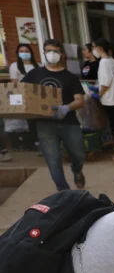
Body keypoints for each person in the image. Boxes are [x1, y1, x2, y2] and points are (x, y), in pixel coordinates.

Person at [22, 39, 87, 190]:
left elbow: (80, 100)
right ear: (44, 53)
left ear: (62, 54)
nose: (52, 54)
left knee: (79, 154)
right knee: (53, 159)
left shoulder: (70, 77)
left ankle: (77, 170)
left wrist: (66, 108)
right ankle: (64, 191)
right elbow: (22, 92)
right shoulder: (34, 75)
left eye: (55, 51)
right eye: (49, 51)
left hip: (69, 122)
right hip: (44, 124)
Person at [3, 43, 40, 159]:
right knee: (29, 120)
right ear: (18, 53)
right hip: (22, 95)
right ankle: (34, 143)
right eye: (21, 51)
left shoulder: (38, 65)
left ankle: (39, 142)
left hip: (37, 95)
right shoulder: (15, 66)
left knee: (38, 119)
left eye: (26, 50)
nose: (24, 53)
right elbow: (14, 83)